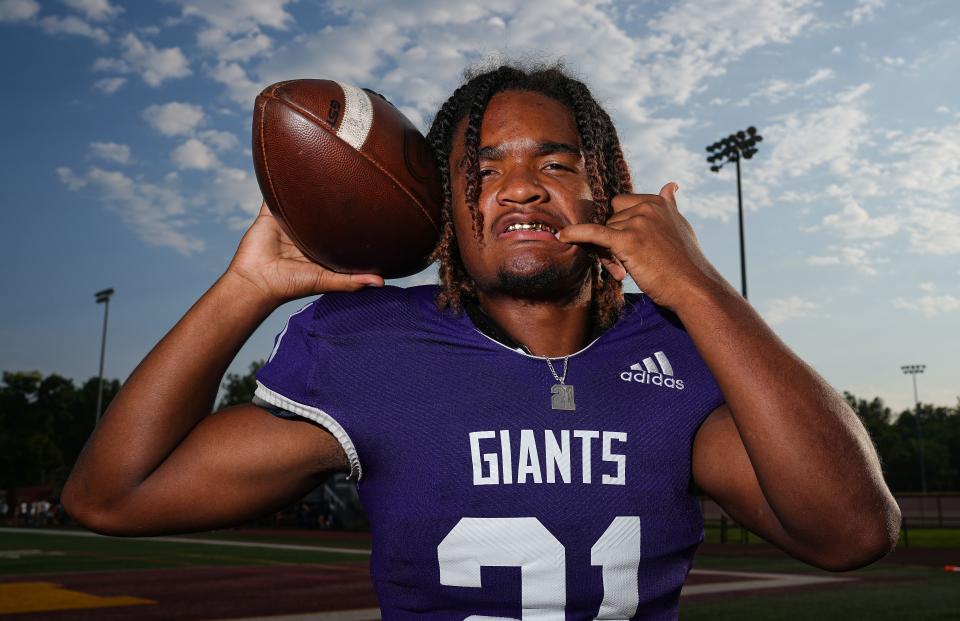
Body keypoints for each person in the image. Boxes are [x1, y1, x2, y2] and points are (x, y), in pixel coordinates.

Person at [62, 64, 900, 619]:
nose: (520, 188)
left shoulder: (684, 349)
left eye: (558, 164)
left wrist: (698, 285)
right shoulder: (371, 348)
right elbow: (111, 498)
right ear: (445, 215)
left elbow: (851, 533)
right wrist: (242, 288)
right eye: (484, 169)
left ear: (607, 189)